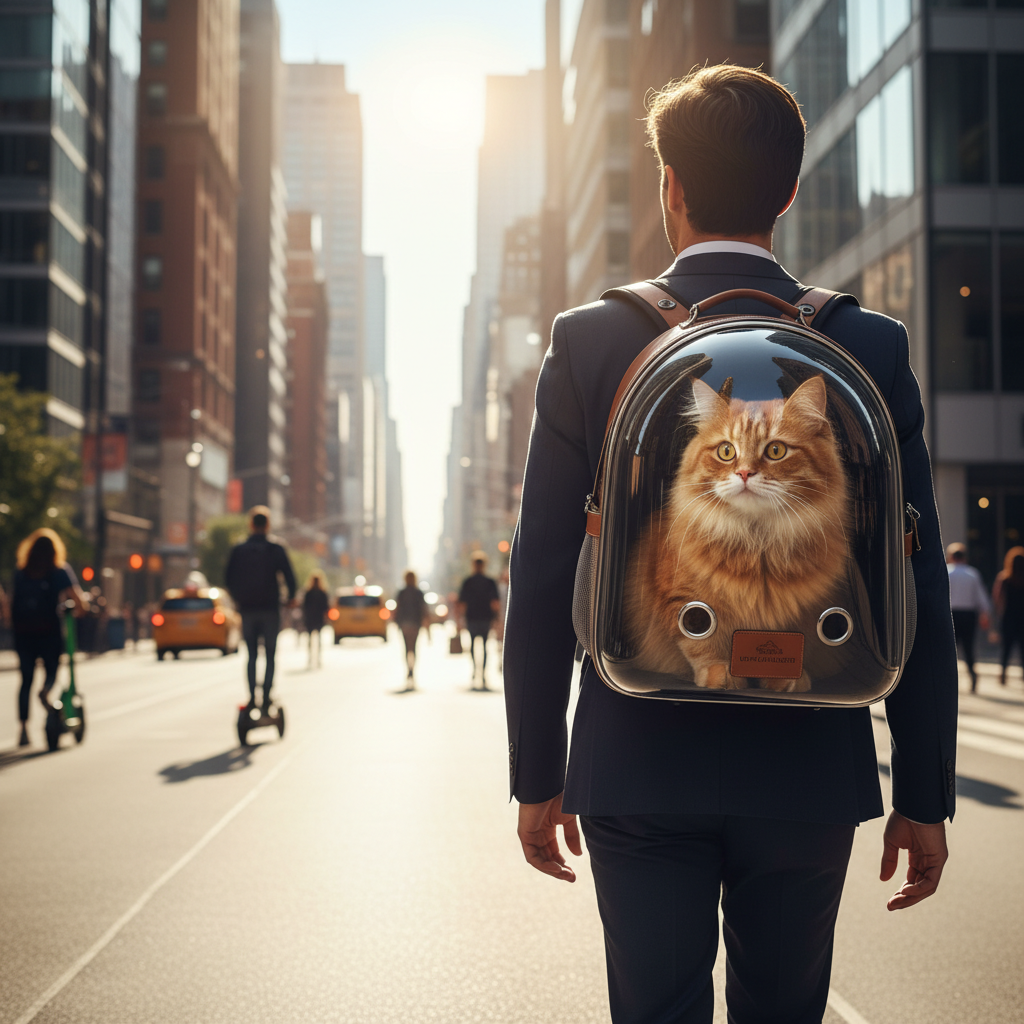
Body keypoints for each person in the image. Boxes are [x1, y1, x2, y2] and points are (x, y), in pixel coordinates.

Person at [503, 66, 957, 1024]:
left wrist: (539, 775)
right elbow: (915, 572)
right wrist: (924, 787)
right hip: (811, 759)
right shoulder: (868, 345)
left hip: (637, 753)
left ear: (670, 185)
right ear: (788, 192)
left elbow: (543, 567)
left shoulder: (592, 338)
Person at [10, 529, 88, 747]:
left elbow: (11, 605)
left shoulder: (22, 571)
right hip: (49, 631)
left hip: (23, 633)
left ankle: (23, 729)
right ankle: (45, 691)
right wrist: (79, 610)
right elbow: (79, 602)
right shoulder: (59, 570)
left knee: (25, 680)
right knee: (52, 668)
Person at [224, 506, 296, 711]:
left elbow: (228, 578)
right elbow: (289, 577)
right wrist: (290, 598)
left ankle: (251, 697)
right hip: (270, 608)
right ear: (268, 525)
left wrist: (238, 598)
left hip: (247, 609)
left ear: (251, 524)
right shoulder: (276, 548)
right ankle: (265, 696)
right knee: (271, 654)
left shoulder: (239, 549)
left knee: (252, 655)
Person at [946, 543, 991, 692]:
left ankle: (949, 681)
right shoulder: (972, 573)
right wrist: (985, 614)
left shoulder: (947, 572)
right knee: (969, 648)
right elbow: (981, 597)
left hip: (951, 614)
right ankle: (973, 676)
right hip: (968, 615)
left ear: (951, 557)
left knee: (950, 650)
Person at [457, 554, 500, 690]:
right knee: (485, 646)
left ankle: (476, 671)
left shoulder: (468, 581)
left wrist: (460, 619)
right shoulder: (489, 582)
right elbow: (495, 602)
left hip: (473, 618)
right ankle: (481, 673)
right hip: (484, 617)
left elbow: (462, 603)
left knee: (474, 646)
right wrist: (496, 617)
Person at [992, 546, 1024, 687]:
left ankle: (1003, 675)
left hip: (1008, 618)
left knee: (1006, 648)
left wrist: (998, 616)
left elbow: (997, 598)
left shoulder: (1004, 578)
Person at [394, 571, 428, 689]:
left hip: (405, 624)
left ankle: (409, 669)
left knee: (406, 648)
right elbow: (423, 610)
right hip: (414, 624)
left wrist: (396, 623)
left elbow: (397, 609)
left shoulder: (402, 592)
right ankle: (411, 670)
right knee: (413, 648)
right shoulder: (418, 592)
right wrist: (426, 626)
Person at [302, 571, 329, 669]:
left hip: (312, 618)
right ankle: (315, 658)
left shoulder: (311, 593)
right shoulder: (320, 593)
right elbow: (326, 607)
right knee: (316, 639)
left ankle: (313, 657)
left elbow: (304, 606)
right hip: (316, 618)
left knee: (313, 639)